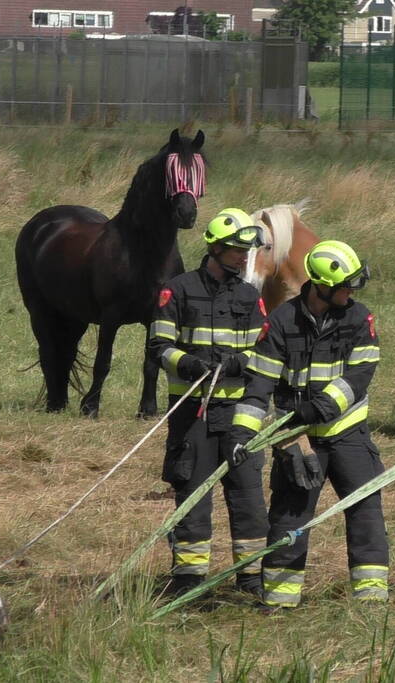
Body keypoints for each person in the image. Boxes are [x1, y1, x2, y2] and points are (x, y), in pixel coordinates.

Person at [229, 240, 387, 609]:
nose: (350, 292)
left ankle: (372, 601)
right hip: (296, 438)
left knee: (365, 512)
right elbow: (260, 384)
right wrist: (241, 433)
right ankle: (281, 601)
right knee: (289, 517)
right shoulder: (282, 321)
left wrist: (322, 407)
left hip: (348, 435)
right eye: (345, 286)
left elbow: (361, 373)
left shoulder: (358, 317)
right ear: (320, 285)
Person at [148, 207, 269, 598]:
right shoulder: (178, 290)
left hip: (238, 414)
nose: (243, 257)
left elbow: (263, 352)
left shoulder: (251, 297)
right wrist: (189, 364)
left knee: (247, 495)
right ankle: (188, 579)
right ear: (214, 248)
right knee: (192, 495)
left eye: (246, 251)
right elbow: (158, 346)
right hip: (192, 411)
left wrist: (241, 362)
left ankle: (249, 576)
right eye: (236, 249)